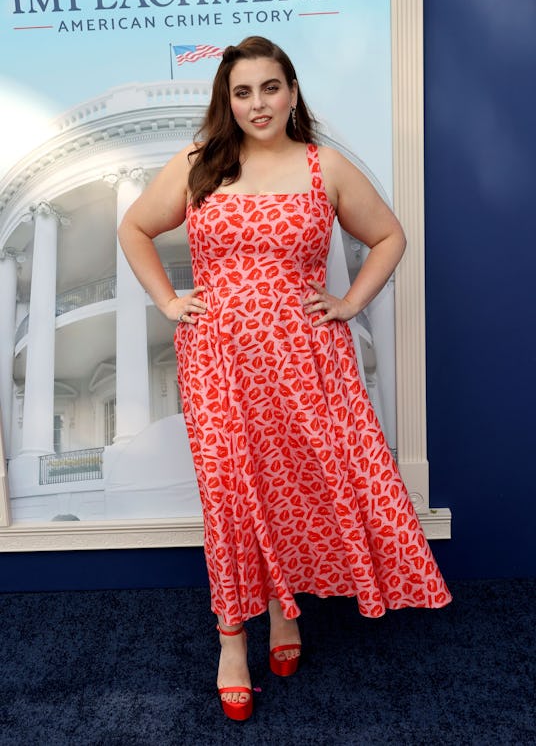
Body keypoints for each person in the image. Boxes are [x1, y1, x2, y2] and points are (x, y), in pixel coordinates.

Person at [118, 35, 452, 721]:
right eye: (242, 92)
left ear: (292, 91)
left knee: (295, 484)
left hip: (306, 358)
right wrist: (169, 301)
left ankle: (284, 611)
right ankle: (232, 642)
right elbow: (133, 228)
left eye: (269, 88)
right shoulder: (199, 164)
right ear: (227, 101)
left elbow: (389, 236)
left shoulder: (323, 165)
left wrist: (350, 303)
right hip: (219, 357)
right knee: (232, 496)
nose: (257, 103)